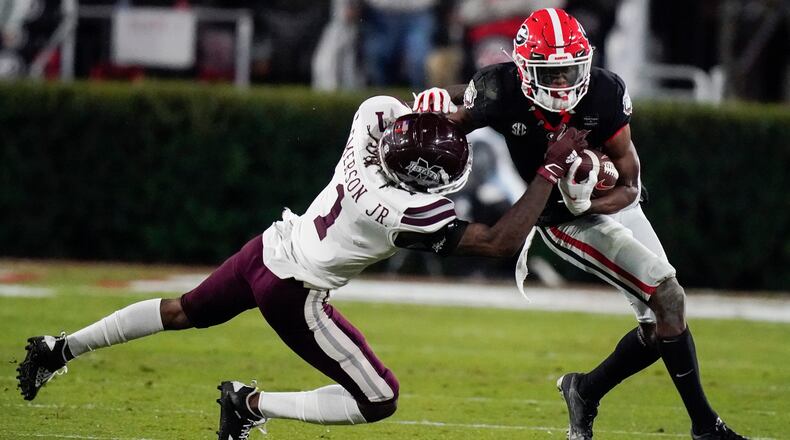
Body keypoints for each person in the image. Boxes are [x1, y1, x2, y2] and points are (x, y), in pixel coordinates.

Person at [16, 95, 589, 439]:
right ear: (428, 180)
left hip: (271, 245)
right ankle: (247, 404)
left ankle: (58, 348)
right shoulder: (406, 211)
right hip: (296, 292)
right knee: (379, 400)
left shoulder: (374, 118)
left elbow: (416, 118)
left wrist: (448, 114)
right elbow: (498, 243)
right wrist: (549, 171)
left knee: (183, 310)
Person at [412, 8, 747, 440]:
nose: (563, 83)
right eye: (550, 74)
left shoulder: (604, 93)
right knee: (667, 295)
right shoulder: (500, 90)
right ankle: (705, 428)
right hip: (560, 218)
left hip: (604, 204)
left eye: (570, 70)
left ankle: (584, 390)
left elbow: (630, 186)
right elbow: (457, 109)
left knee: (662, 320)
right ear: (525, 71)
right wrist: (427, 103)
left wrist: (589, 192)